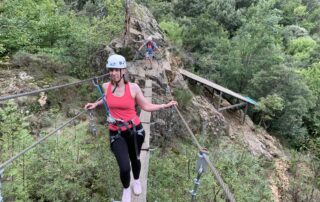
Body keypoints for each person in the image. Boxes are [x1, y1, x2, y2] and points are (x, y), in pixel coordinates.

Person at [84, 54, 177, 202]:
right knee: (124, 167)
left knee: (135, 159)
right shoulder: (106, 86)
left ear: (124, 71)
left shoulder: (133, 88)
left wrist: (163, 105)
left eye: (116, 70)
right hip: (116, 132)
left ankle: (137, 180)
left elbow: (145, 105)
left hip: (134, 130)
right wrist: (96, 104)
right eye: (111, 70)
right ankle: (126, 188)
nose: (113, 73)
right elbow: (106, 98)